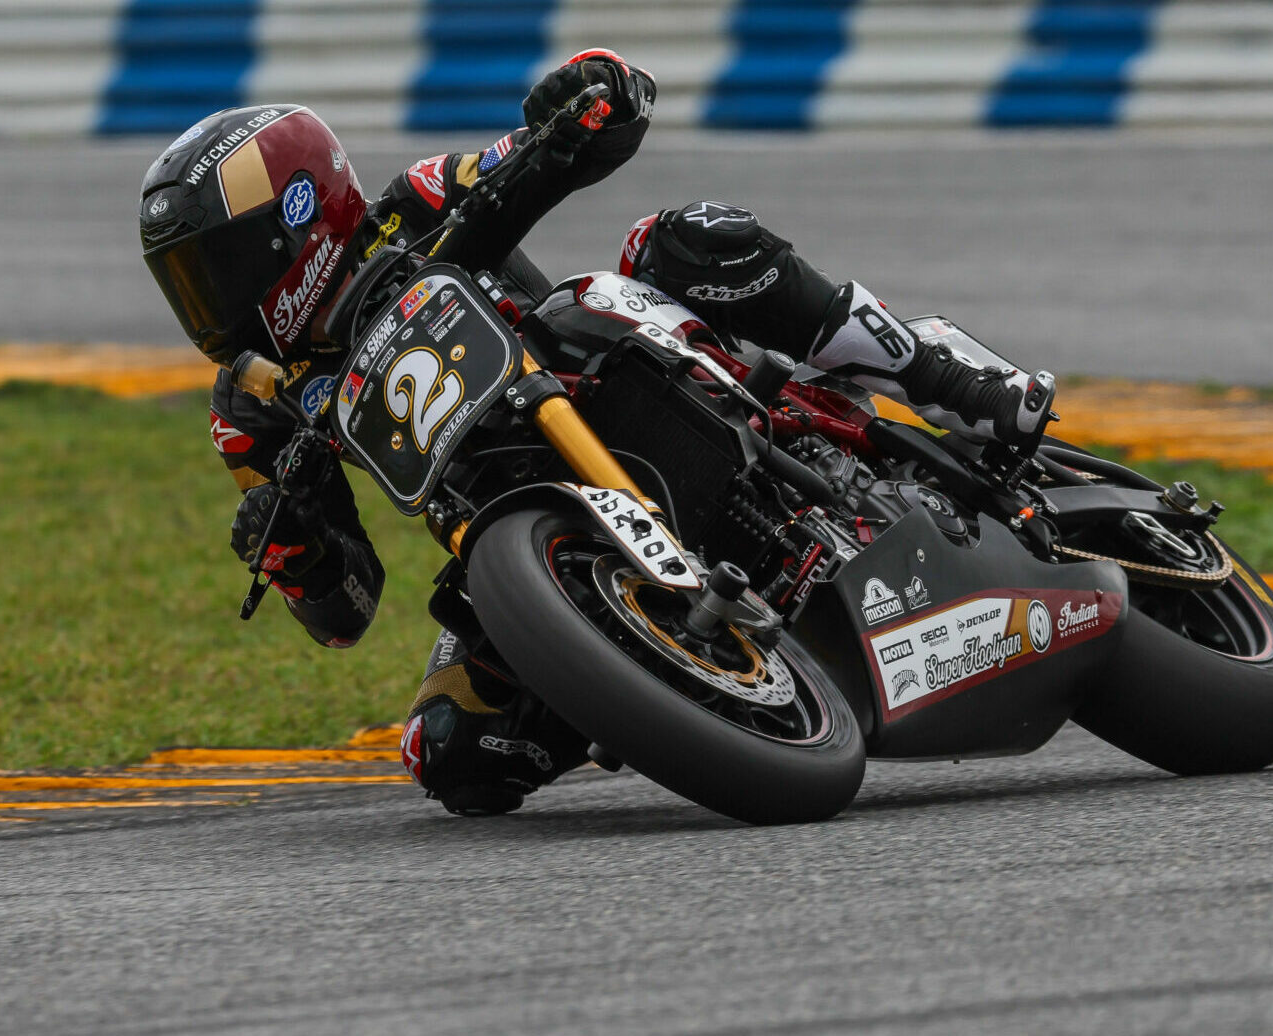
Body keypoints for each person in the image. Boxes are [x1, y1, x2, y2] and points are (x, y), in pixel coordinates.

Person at [139, 50, 1057, 816]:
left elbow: (574, 134)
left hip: (610, 371)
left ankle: (950, 378)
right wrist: (295, 549)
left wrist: (588, 95)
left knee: (675, 240)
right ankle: (664, 677)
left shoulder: (412, 206)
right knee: (450, 754)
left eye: (209, 270)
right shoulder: (251, 409)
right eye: (182, 283)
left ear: (293, 218)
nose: (204, 305)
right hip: (508, 514)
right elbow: (347, 613)